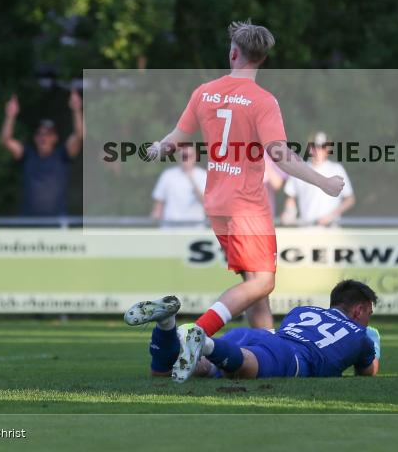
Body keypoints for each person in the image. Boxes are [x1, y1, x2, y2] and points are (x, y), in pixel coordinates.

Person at [142, 20, 345, 343]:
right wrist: (323, 182)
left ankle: (269, 349)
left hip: (217, 204)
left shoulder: (204, 92)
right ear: (263, 59)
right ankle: (198, 332)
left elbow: (177, 138)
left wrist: (157, 147)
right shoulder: (263, 101)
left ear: (233, 53)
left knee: (253, 284)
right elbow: (279, 155)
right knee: (264, 282)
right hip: (248, 205)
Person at [125, 280, 381, 383]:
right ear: (359, 310)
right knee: (245, 368)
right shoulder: (361, 337)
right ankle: (205, 344)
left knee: (162, 373)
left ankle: (166, 325)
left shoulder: (302, 311)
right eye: (369, 314)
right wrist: (374, 344)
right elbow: (367, 372)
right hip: (291, 357)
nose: (368, 321)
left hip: (254, 336)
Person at [1, 89, 84, 216]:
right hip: (29, 223)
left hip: (57, 224)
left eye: (48, 134)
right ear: (35, 138)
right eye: (40, 134)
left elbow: (79, 135)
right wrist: (10, 116)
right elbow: (6, 140)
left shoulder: (63, 155)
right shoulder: (27, 155)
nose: (43, 137)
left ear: (55, 138)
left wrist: (77, 110)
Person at [282, 132, 356, 226]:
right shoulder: (299, 169)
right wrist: (289, 213)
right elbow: (291, 197)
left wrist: (332, 216)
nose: (318, 150)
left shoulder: (337, 169)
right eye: (315, 146)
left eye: (323, 147)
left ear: (328, 149)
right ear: (309, 148)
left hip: (331, 230)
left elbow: (350, 199)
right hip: (306, 230)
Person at [151, 145, 207, 228]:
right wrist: (151, 226)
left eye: (189, 156)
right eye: (183, 156)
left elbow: (206, 203)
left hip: (195, 229)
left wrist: (191, 179)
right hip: (170, 229)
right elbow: (158, 206)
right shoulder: (168, 175)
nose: (185, 159)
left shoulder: (203, 175)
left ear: (195, 157)